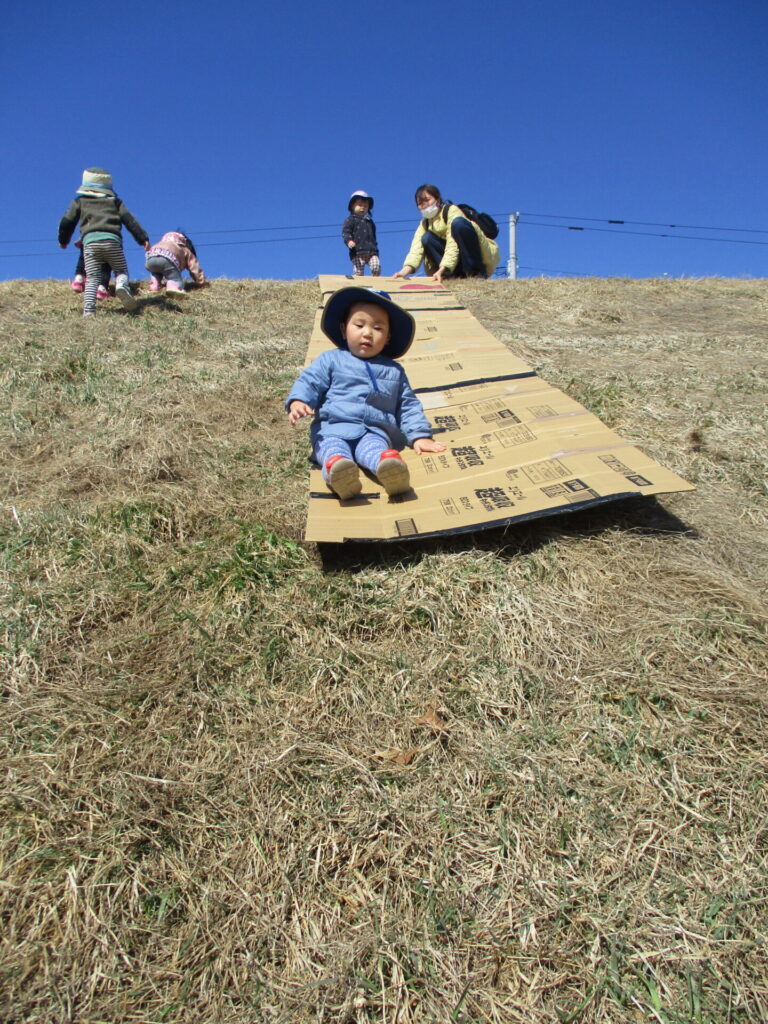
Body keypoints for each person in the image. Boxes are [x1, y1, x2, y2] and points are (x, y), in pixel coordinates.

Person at [285, 286, 446, 500]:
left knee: (375, 449)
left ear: (388, 337)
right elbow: (310, 381)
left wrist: (419, 436)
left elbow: (407, 406)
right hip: (334, 427)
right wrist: (299, 400)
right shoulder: (331, 360)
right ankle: (339, 473)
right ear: (344, 329)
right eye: (359, 325)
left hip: (374, 431)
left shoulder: (394, 371)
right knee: (333, 450)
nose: (367, 333)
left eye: (378, 328)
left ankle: (389, 470)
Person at [58, 167, 149, 317]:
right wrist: (142, 238)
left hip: (90, 244)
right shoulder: (115, 202)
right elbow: (130, 220)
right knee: (121, 270)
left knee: (92, 278)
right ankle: (121, 286)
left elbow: (66, 222)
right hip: (112, 241)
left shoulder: (80, 201)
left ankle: (88, 311)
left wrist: (63, 240)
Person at [393, 184, 499, 283]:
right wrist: (403, 272)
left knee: (459, 224)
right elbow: (416, 250)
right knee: (426, 238)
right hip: (453, 262)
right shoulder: (424, 224)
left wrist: (443, 268)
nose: (424, 205)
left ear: (438, 200)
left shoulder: (451, 211)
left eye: (427, 200)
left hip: (476, 254)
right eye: (420, 203)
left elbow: (453, 244)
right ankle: (451, 276)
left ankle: (476, 272)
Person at [341, 190, 380, 276]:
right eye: (360, 205)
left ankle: (376, 282)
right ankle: (358, 286)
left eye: (365, 206)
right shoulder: (350, 220)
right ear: (352, 206)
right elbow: (346, 232)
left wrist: (375, 249)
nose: (363, 207)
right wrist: (349, 241)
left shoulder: (370, 222)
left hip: (371, 251)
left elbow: (373, 237)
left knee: (376, 266)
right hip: (357, 252)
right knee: (358, 272)